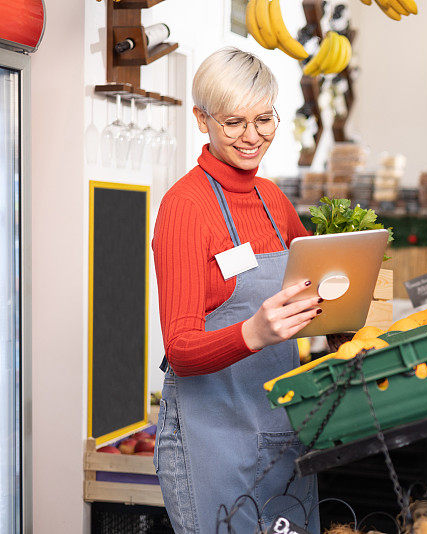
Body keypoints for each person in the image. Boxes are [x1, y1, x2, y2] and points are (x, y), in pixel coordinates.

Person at [152, 47, 321, 534]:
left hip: (279, 432)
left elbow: (313, 287)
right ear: (201, 120)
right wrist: (254, 332)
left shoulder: (272, 199)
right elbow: (180, 350)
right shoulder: (184, 207)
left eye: (263, 119)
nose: (252, 137)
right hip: (214, 442)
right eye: (234, 123)